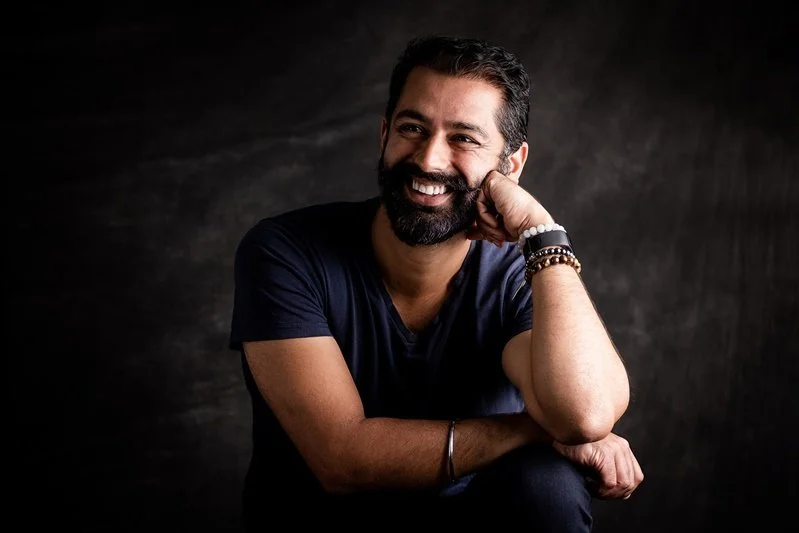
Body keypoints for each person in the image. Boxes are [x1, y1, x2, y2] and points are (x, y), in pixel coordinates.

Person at [228, 35, 644, 531]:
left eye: (464, 138)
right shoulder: (287, 251)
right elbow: (343, 458)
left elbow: (585, 414)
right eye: (412, 128)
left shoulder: (517, 278)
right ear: (384, 133)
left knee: (546, 486)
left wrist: (541, 232)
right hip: (318, 519)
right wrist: (535, 429)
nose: (428, 160)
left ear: (510, 166)